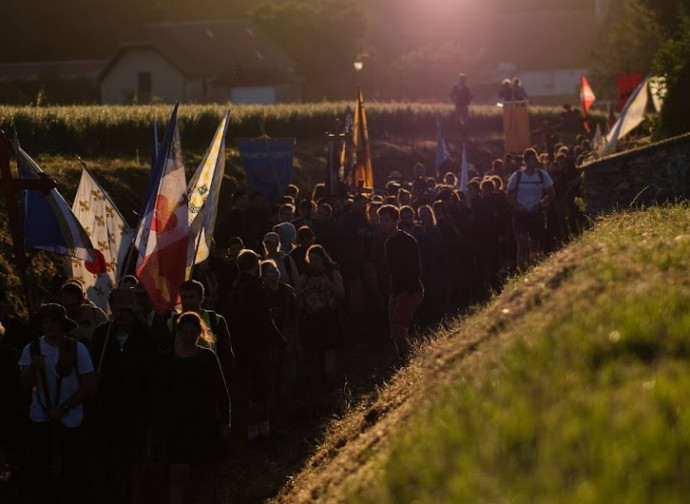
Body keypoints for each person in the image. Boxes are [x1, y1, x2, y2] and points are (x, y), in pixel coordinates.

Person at [18, 303, 97, 503]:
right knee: (42, 471)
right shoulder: (32, 349)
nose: (49, 326)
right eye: (45, 322)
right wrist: (33, 368)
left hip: (71, 418)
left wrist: (64, 408)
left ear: (62, 325)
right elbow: (23, 386)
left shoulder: (76, 349)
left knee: (73, 471)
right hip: (41, 416)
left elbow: (88, 386)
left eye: (53, 322)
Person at [90, 288, 160, 504]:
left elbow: (154, 374)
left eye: (125, 312)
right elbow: (92, 366)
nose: (119, 316)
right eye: (116, 311)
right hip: (109, 409)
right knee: (113, 461)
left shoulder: (145, 335)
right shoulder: (102, 334)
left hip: (138, 410)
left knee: (136, 461)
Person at [162, 312, 230, 504]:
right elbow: (161, 394)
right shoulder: (168, 359)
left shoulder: (207, 357)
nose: (189, 337)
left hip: (205, 424)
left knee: (204, 475)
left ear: (199, 333)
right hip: (178, 425)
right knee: (177, 474)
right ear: (179, 332)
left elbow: (221, 391)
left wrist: (225, 421)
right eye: (185, 332)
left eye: (193, 333)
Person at [377, 205, 424, 364]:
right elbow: (391, 270)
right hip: (396, 290)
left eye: (386, 220)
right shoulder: (387, 243)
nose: (383, 223)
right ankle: (406, 359)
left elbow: (414, 268)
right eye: (381, 220)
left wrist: (406, 292)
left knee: (399, 329)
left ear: (395, 221)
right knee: (395, 332)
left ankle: (410, 361)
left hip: (410, 290)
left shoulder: (407, 241)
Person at [294, 245, 346, 388]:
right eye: (311, 260)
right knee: (315, 351)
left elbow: (341, 294)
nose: (313, 263)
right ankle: (318, 382)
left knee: (330, 349)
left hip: (330, 316)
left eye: (316, 259)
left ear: (323, 259)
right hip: (312, 317)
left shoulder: (332, 273)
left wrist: (328, 284)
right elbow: (294, 295)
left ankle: (331, 380)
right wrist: (307, 289)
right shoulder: (305, 277)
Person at [506, 147, 556, 270]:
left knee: (534, 244)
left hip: (536, 213)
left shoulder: (541, 175)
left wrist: (541, 203)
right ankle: (522, 271)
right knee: (522, 243)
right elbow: (508, 194)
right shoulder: (517, 176)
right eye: (533, 159)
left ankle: (535, 269)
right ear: (526, 161)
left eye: (536, 158)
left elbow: (551, 193)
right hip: (520, 214)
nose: (536, 161)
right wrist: (517, 205)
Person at [58, 279, 108, 347]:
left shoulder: (95, 315)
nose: (70, 310)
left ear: (82, 301)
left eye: (73, 306)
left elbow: (108, 336)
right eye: (66, 306)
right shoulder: (58, 319)